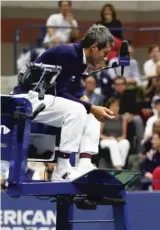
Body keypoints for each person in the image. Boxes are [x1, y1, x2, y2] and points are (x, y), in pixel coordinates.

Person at [13, 24, 115, 181]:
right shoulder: (67, 54)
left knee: (88, 111)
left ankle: (85, 163)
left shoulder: (79, 59)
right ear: (94, 47)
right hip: (28, 98)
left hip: (45, 99)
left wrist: (85, 100)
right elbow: (60, 92)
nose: (106, 58)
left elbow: (72, 88)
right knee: (79, 110)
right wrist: (90, 107)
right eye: (105, 53)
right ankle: (62, 167)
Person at [100, 98, 130, 169]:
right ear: (109, 107)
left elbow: (124, 134)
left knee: (125, 143)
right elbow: (99, 134)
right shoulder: (104, 117)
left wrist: (119, 139)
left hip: (118, 139)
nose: (115, 108)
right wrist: (109, 138)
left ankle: (120, 166)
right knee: (113, 143)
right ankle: (118, 167)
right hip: (106, 140)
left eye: (116, 106)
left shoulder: (123, 118)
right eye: (113, 106)